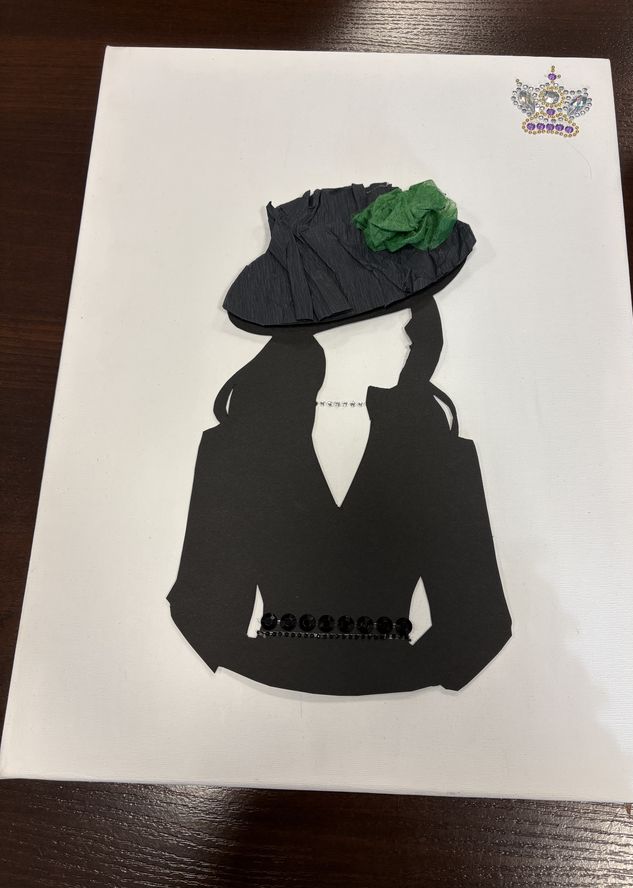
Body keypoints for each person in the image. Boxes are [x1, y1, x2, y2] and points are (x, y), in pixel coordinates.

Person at [168, 183, 512, 695]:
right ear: (307, 333)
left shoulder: (444, 450)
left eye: (408, 315)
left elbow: (481, 625)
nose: (409, 335)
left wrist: (380, 669)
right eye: (372, 321)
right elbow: (201, 613)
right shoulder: (232, 447)